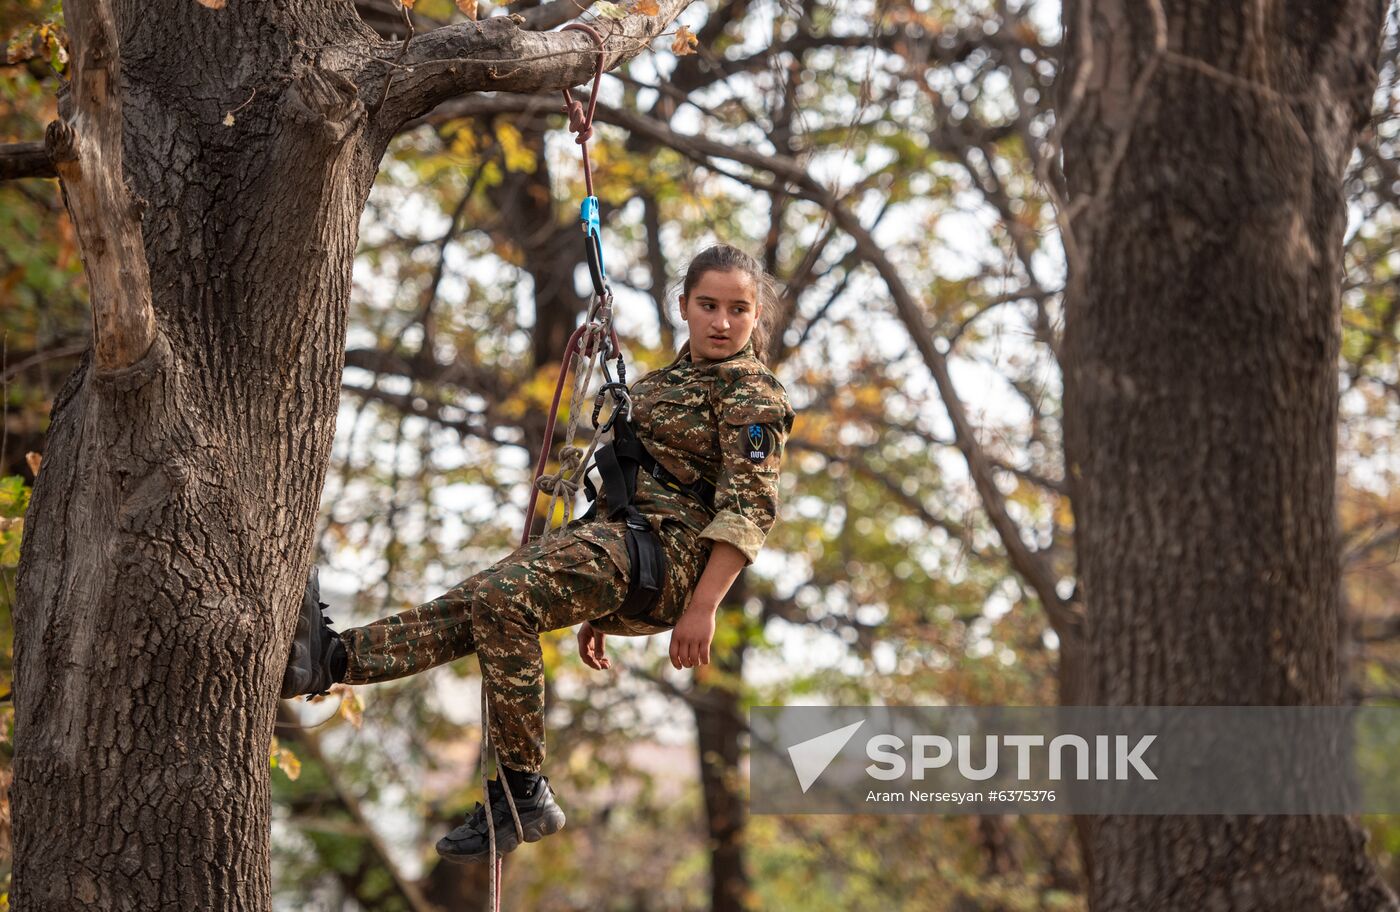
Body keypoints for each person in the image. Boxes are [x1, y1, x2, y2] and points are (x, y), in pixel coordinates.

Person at [280, 244, 796, 863]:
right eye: (708, 305)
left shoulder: (752, 392)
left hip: (672, 561)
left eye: (738, 309)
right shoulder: (666, 383)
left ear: (756, 314)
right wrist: (592, 606)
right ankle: (332, 662)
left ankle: (523, 791)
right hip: (622, 546)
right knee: (480, 602)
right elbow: (630, 489)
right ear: (683, 306)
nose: (722, 321)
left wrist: (703, 607)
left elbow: (748, 510)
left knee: (502, 598)